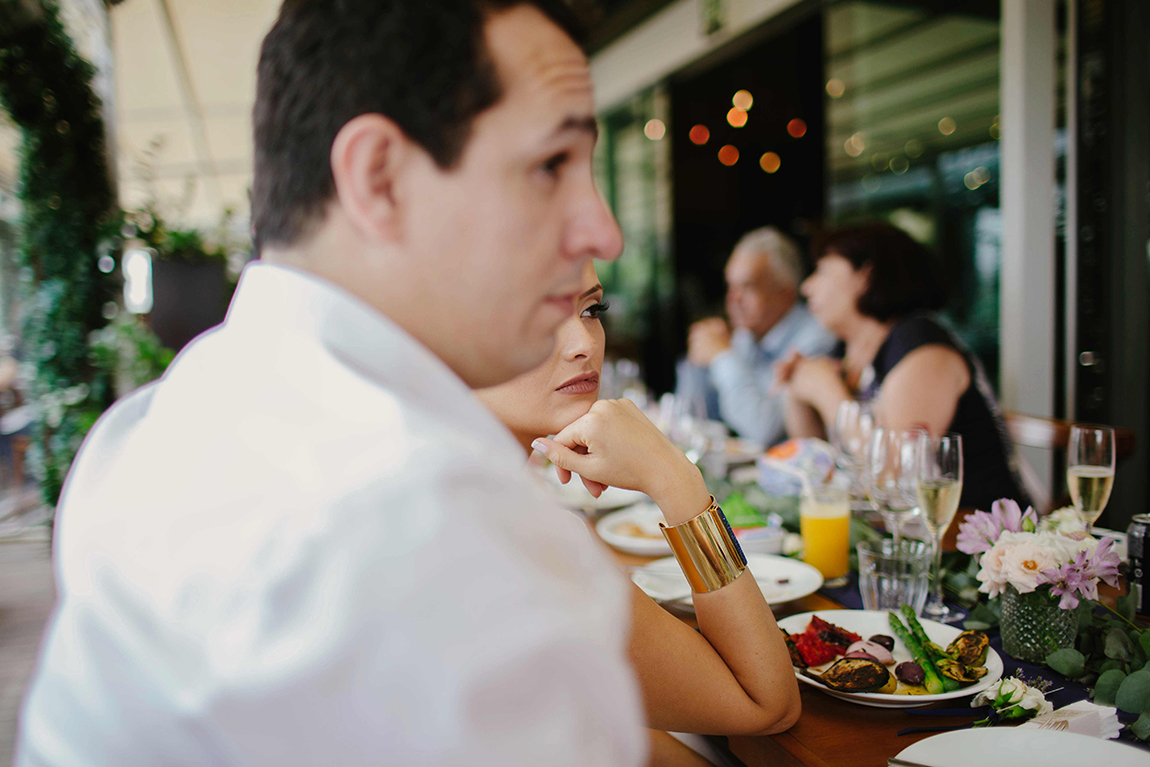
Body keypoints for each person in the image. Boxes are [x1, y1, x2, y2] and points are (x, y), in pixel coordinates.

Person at [18, 3, 652, 765]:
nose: (602, 232)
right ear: (378, 178)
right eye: (551, 166)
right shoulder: (425, 521)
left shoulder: (170, 412)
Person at [478, 262, 802, 765]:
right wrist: (675, 479)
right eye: (542, 314)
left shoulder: (482, 503)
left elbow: (592, 714)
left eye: (590, 310)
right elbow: (767, 704)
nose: (584, 342)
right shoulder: (514, 539)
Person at [779, 223, 1029, 511]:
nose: (806, 287)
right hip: (889, 533)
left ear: (865, 276)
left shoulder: (922, 346)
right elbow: (814, 464)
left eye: (821, 271)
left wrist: (828, 394)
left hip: (970, 539)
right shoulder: (844, 351)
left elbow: (894, 481)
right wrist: (796, 390)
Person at [678, 227, 835, 447]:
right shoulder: (747, 335)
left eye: (747, 287)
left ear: (785, 293)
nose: (733, 300)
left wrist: (722, 357)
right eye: (730, 286)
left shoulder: (816, 338)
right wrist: (697, 363)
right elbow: (693, 420)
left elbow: (764, 431)